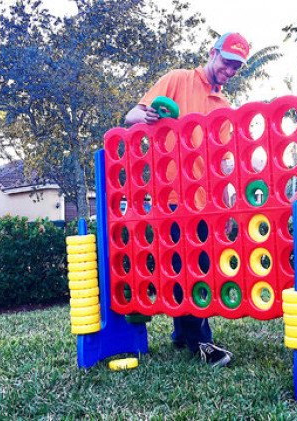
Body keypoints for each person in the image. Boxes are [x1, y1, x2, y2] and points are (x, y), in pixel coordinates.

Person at [124, 32, 250, 367]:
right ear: (212, 54)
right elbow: (131, 117)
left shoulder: (224, 107)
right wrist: (148, 117)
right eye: (227, 62)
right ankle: (202, 343)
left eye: (237, 66)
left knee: (197, 267)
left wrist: (228, 203)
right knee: (190, 267)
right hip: (172, 195)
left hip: (207, 200)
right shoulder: (177, 79)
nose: (230, 70)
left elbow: (224, 161)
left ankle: (182, 334)